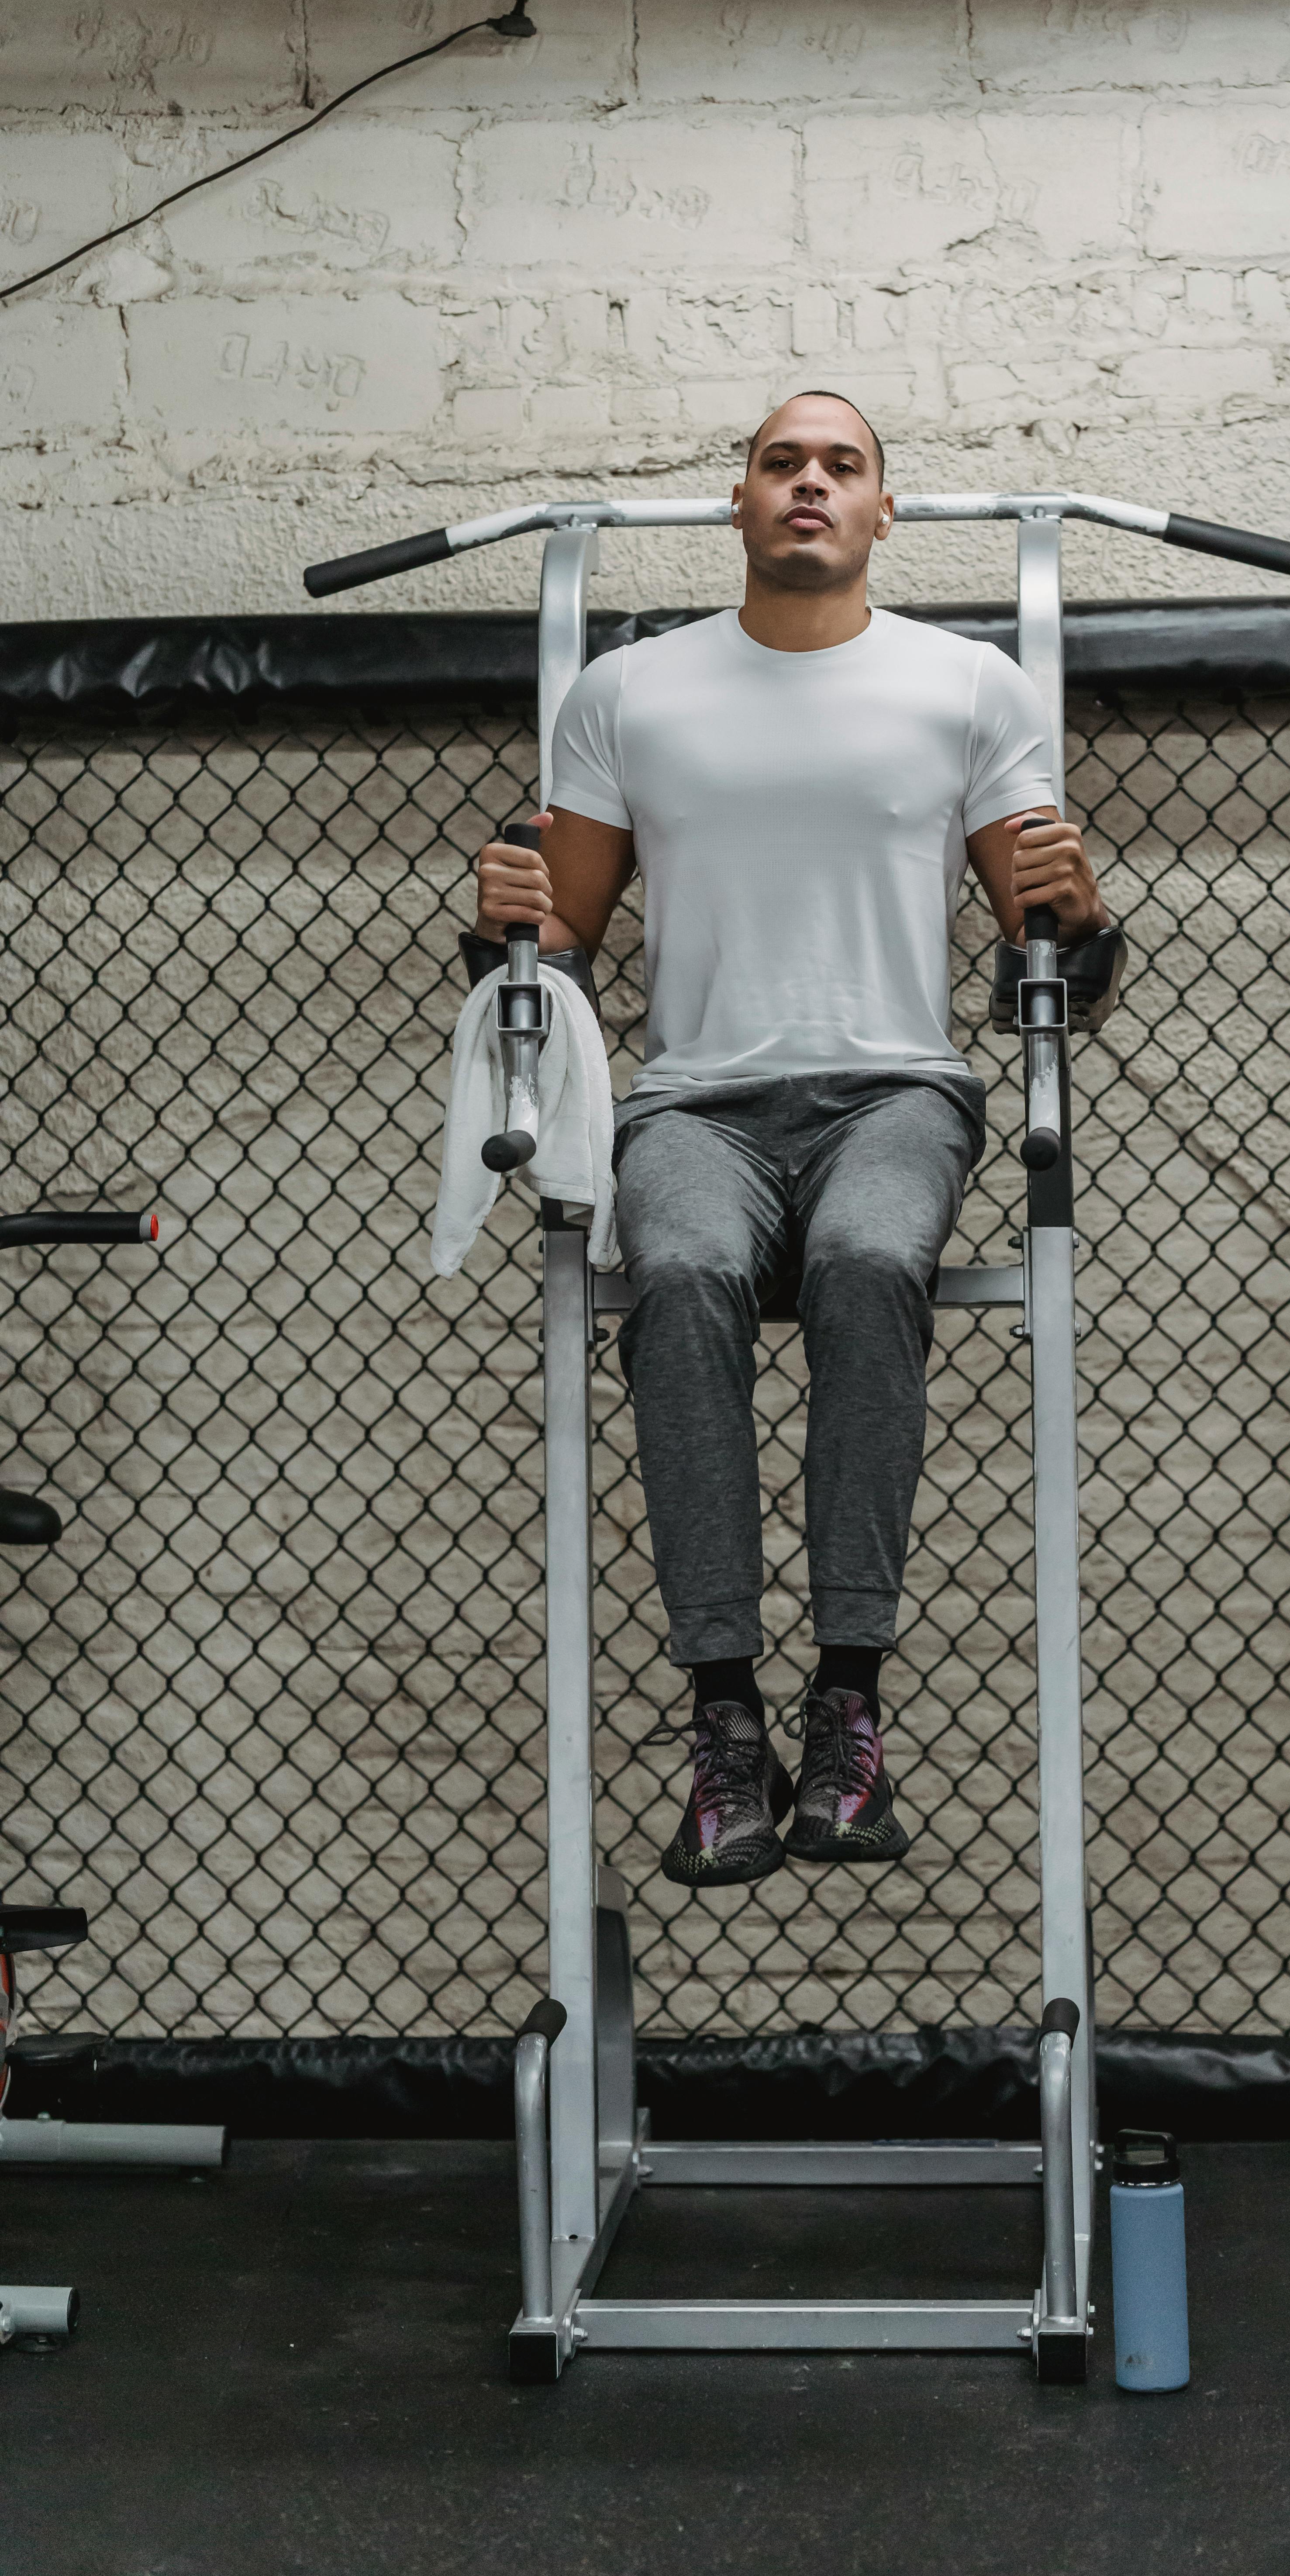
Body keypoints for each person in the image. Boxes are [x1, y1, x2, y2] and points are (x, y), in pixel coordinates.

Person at [473, 390, 1110, 1890]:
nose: (810, 483)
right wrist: (503, 925)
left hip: (897, 1090)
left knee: (870, 1253)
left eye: (843, 465)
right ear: (741, 506)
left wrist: (1081, 914)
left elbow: (1057, 973)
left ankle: (849, 1717)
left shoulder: (971, 688)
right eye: (781, 464)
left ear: (883, 511)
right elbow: (555, 948)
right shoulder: (631, 694)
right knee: (681, 1271)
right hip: (694, 1100)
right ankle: (723, 1724)